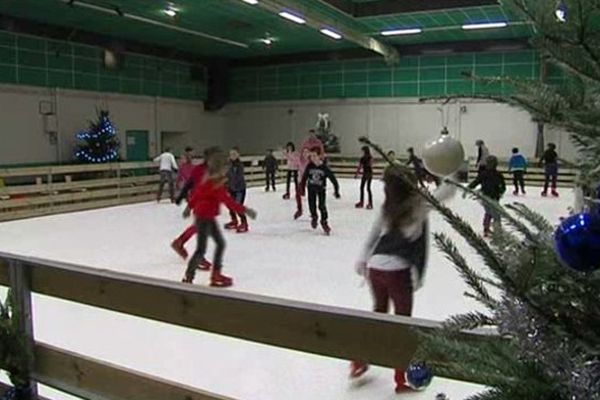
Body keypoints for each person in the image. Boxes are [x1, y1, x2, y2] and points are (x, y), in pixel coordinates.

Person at [350, 164, 456, 393]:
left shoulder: (387, 208)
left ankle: (359, 361)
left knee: (378, 314)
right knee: (403, 325)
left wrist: (362, 260)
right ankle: (401, 378)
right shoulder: (418, 204)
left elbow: (373, 237)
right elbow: (448, 191)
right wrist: (449, 165)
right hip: (397, 271)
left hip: (375, 268)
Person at [183, 148, 257, 288]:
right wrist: (246, 210)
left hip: (204, 216)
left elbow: (196, 194)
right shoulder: (215, 184)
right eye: (225, 168)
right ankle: (194, 276)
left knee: (214, 245)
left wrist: (189, 207)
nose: (226, 170)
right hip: (205, 218)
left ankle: (208, 275)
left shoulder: (209, 179)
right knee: (203, 248)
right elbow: (229, 202)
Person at [171, 147, 220, 263]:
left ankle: (180, 242)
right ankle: (198, 256)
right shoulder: (199, 170)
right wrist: (181, 197)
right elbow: (189, 184)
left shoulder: (208, 170)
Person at [299, 147, 340, 235]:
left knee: (322, 206)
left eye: (314, 156)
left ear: (319, 156)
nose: (312, 158)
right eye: (311, 156)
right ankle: (314, 217)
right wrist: (302, 188)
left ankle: (324, 221)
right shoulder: (309, 166)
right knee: (312, 205)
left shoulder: (324, 167)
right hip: (311, 189)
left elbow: (333, 179)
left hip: (321, 189)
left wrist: (336, 190)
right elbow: (304, 177)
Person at [467, 155, 506, 237]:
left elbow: (476, 182)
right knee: (496, 215)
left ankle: (486, 228)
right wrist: (500, 192)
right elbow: (503, 186)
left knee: (488, 212)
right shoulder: (498, 174)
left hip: (485, 196)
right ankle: (497, 232)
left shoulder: (484, 174)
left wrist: (469, 188)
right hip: (493, 197)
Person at [294, 135, 325, 220]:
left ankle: (313, 212)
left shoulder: (311, 162)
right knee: (297, 194)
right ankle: (299, 209)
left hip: (311, 181)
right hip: (301, 180)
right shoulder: (299, 160)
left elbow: (319, 163)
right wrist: (286, 154)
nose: (305, 154)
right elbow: (292, 159)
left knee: (312, 197)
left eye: (307, 152)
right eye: (303, 152)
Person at [225, 147, 249, 233]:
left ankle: (244, 223)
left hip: (239, 189)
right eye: (231, 154)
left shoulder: (239, 165)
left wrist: (231, 183)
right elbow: (226, 175)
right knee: (230, 205)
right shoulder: (229, 165)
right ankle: (234, 221)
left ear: (238, 155)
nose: (232, 156)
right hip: (231, 189)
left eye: (234, 154)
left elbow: (238, 177)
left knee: (238, 206)